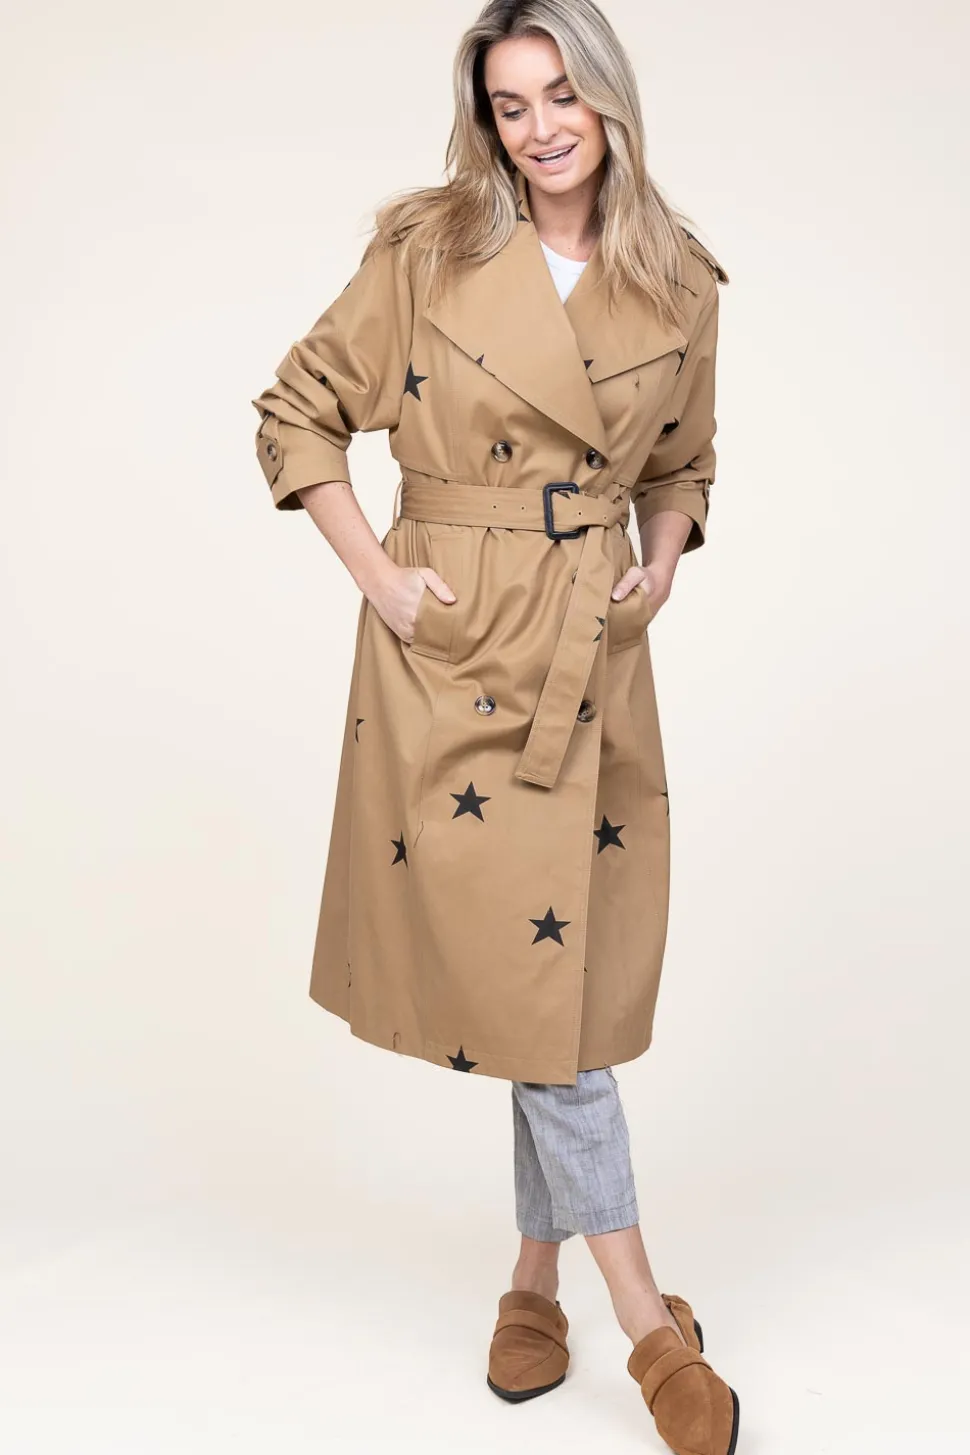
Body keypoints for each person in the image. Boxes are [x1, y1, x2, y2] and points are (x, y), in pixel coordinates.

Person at [250, 2, 735, 1451]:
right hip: (454, 647)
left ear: (609, 100)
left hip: (593, 647)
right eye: (510, 103)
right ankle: (647, 1322)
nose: (539, 128)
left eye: (561, 95)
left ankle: (532, 1281)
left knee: (557, 984)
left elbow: (688, 457)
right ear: (485, 118)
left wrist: (663, 552)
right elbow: (296, 412)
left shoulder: (677, 277)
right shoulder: (427, 251)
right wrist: (380, 578)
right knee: (534, 986)